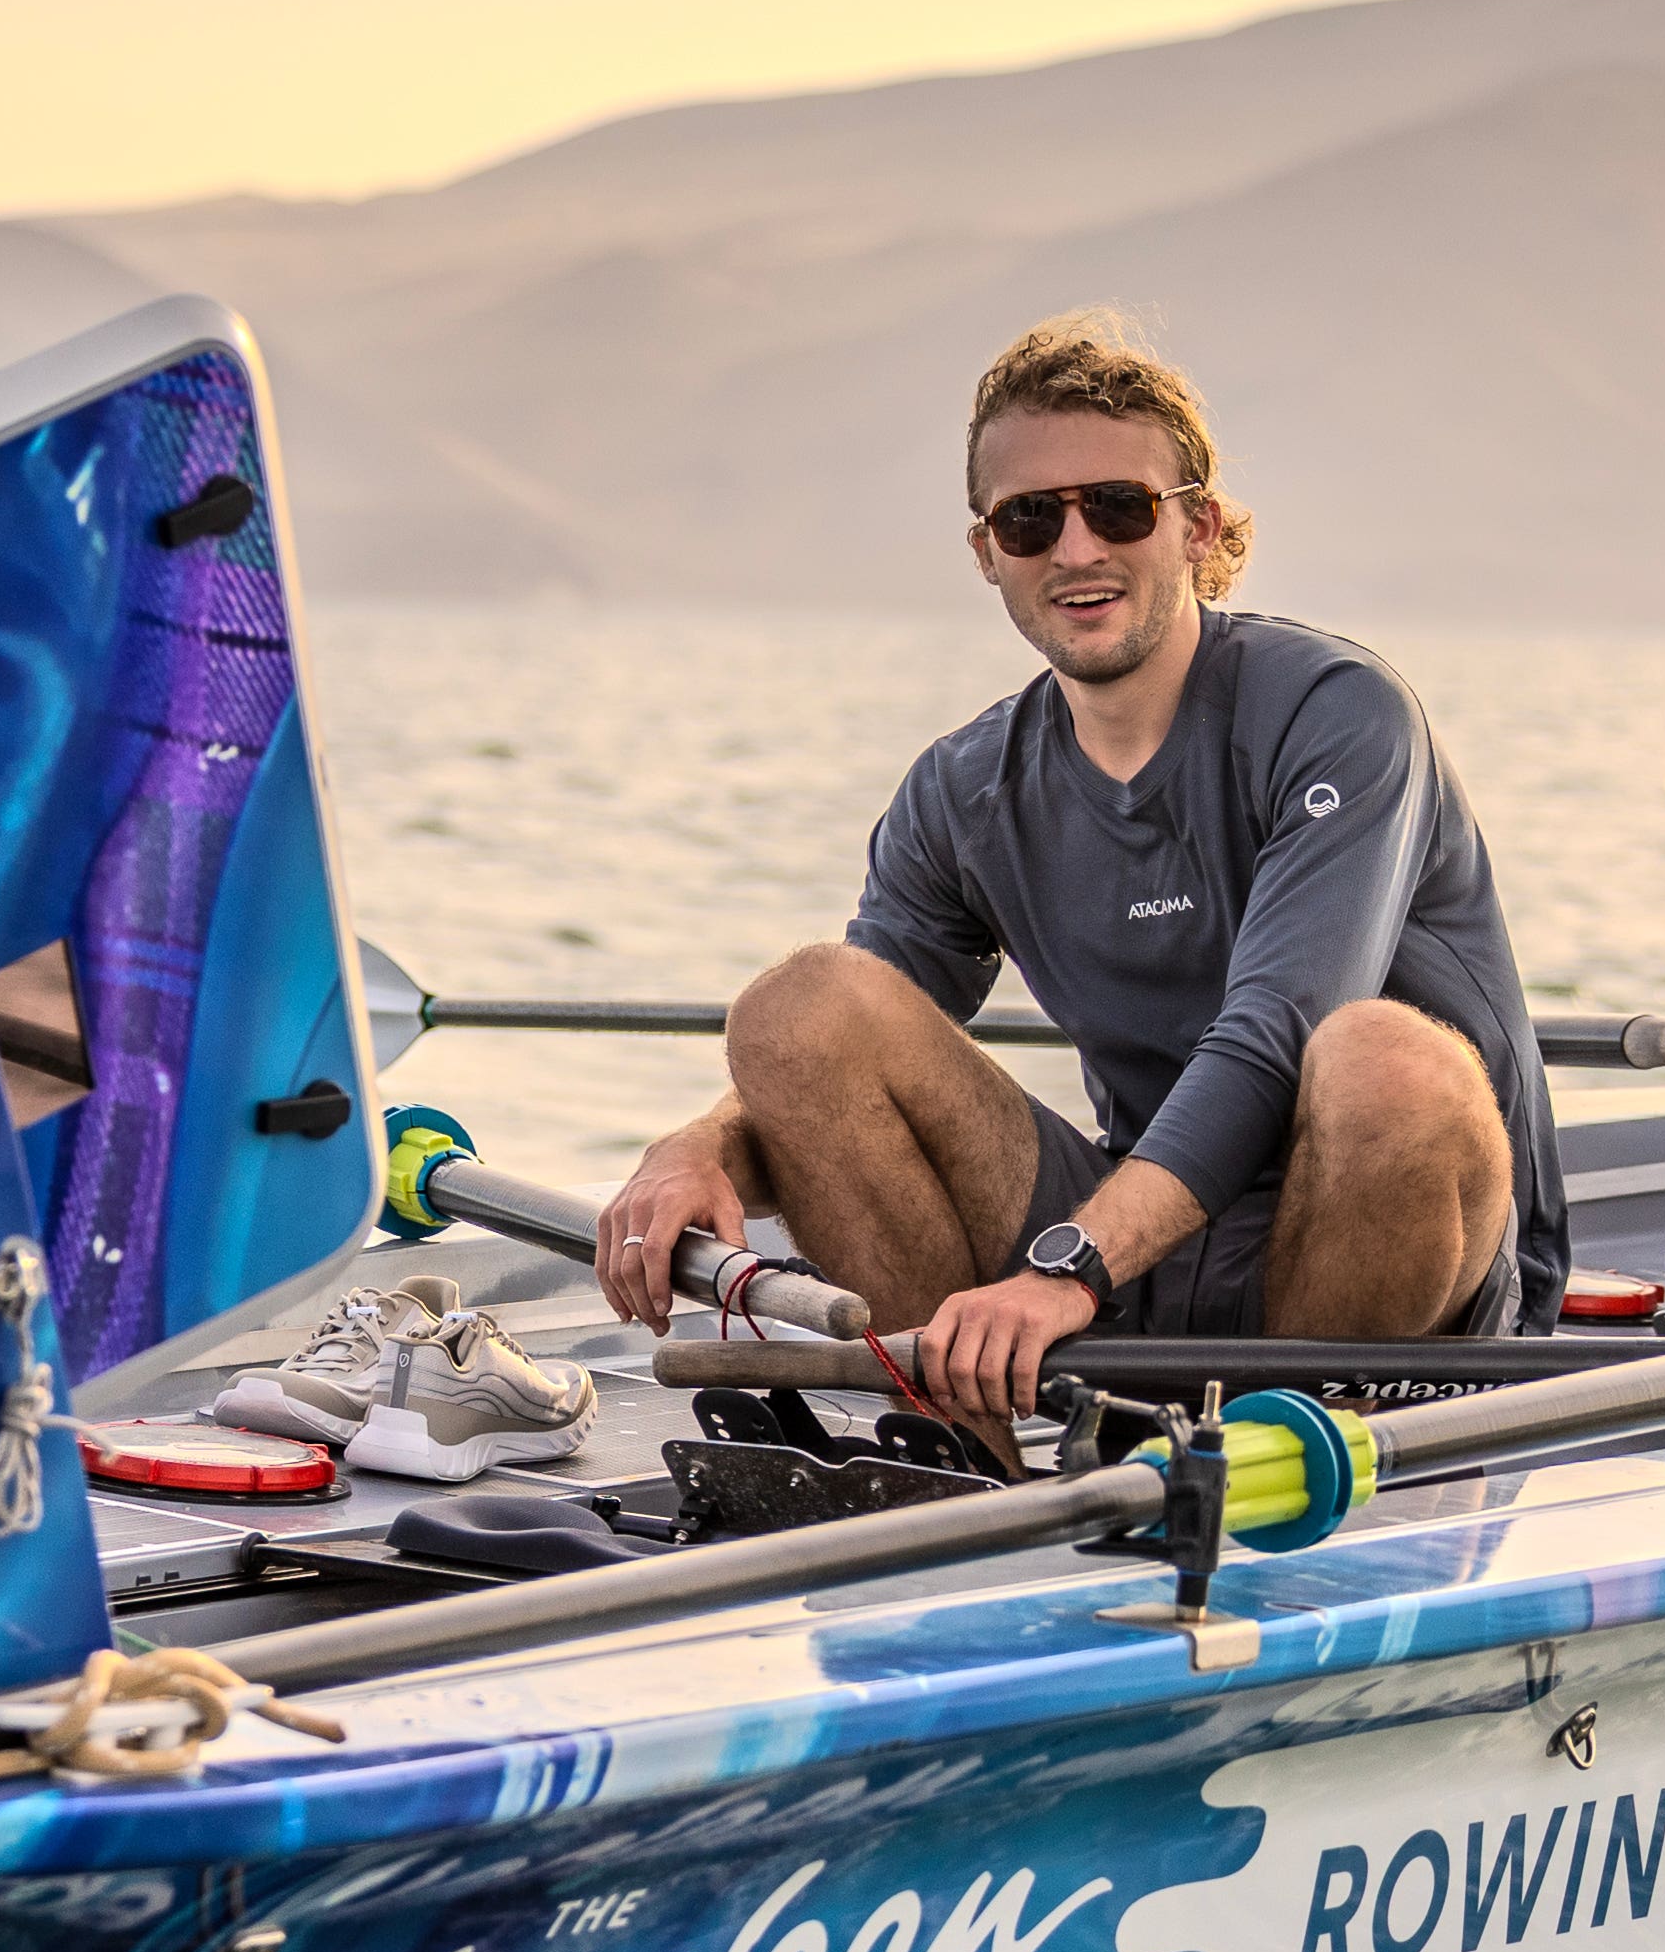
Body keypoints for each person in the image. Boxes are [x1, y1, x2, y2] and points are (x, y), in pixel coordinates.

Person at [596, 314, 1565, 1423]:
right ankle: (966, 1449)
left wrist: (1066, 1269)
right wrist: (690, 1148)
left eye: (1118, 505)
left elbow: (1273, 1035)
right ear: (986, 553)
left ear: (1197, 525)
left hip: (1388, 1264)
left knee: (1383, 1056)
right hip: (1132, 1248)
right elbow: (824, 1075)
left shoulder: (1338, 714)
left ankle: (1281, 1454)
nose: (1075, 549)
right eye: (1029, 519)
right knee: (796, 1008)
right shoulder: (963, 789)